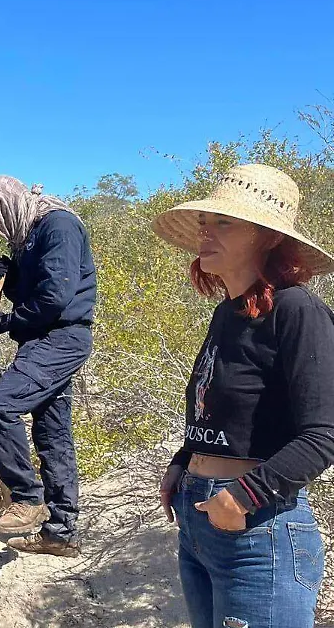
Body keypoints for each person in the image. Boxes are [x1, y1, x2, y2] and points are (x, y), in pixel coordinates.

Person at [154, 164, 334, 627]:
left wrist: (242, 497)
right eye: (205, 222)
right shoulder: (227, 313)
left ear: (267, 237)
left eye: (224, 222)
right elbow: (226, 413)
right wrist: (184, 459)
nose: (205, 234)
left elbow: (324, 433)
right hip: (199, 519)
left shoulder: (297, 310)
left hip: (260, 528)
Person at [0, 175, 96, 557]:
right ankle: (61, 533)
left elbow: (54, 299)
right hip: (44, 338)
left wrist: (4, 322)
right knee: (53, 434)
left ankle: (27, 496)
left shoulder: (59, 225)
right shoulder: (29, 234)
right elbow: (35, 293)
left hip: (60, 338)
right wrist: (11, 274)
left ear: (5, 205)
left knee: (0, 406)